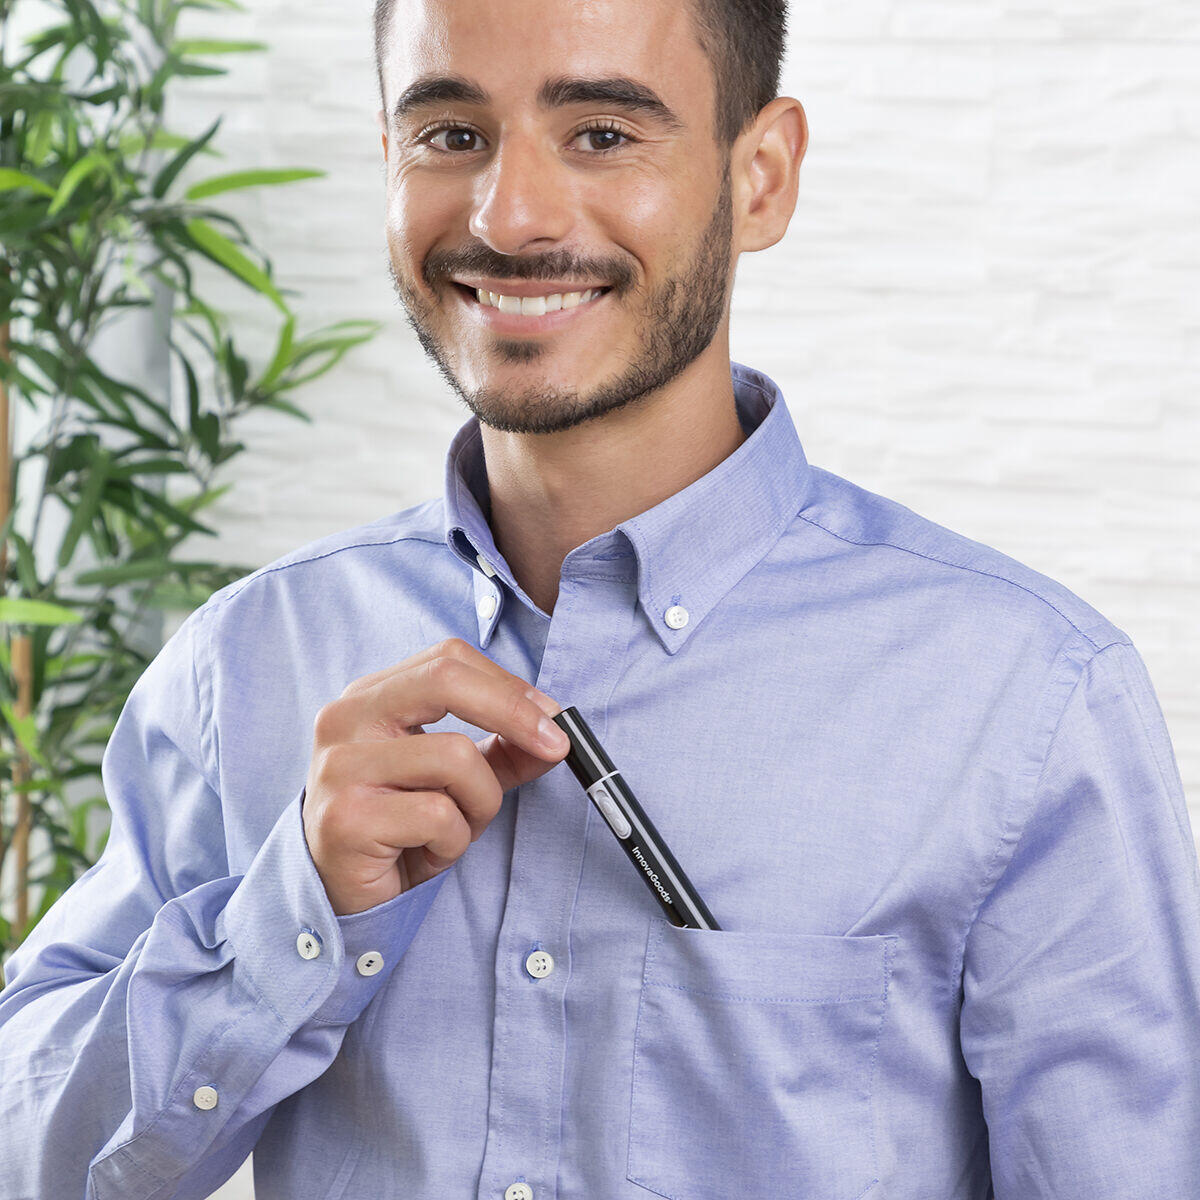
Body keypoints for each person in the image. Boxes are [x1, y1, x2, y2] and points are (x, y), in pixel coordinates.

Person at [2, 0, 1198, 1194]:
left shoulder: (1026, 703)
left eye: (605, 134)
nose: (510, 216)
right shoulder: (247, 664)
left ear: (762, 177)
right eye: (451, 135)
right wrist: (288, 922)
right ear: (389, 159)